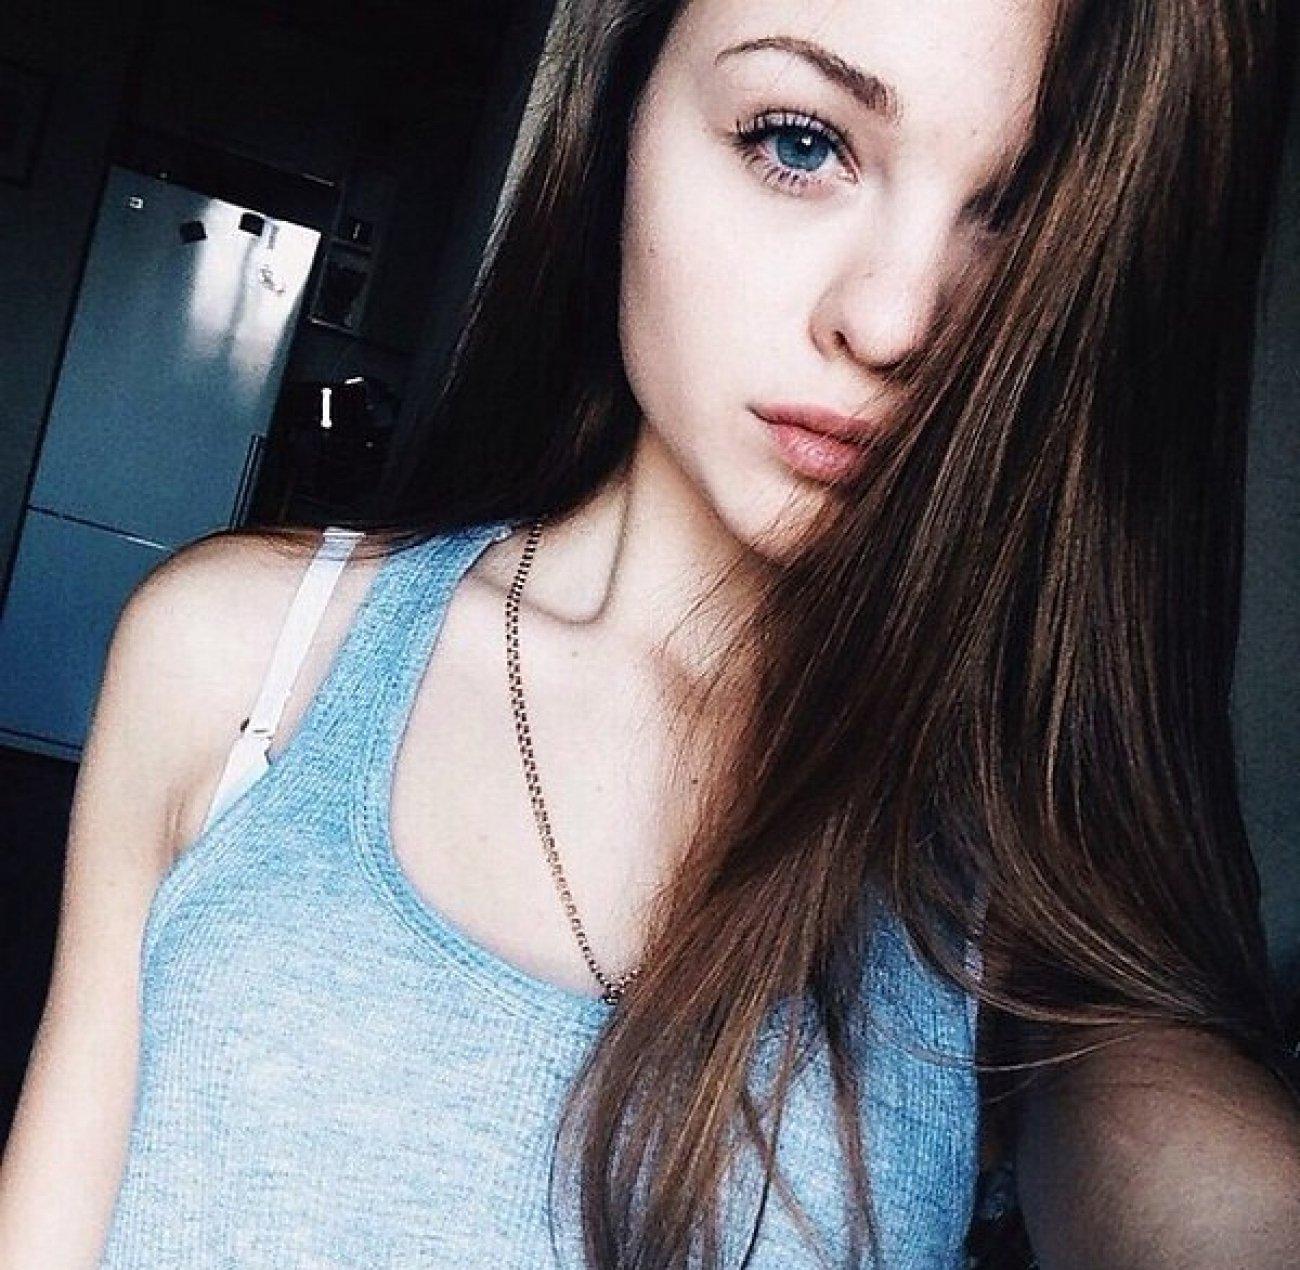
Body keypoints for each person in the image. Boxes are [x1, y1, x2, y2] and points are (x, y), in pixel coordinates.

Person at [2, 0, 1298, 1265]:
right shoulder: (240, 660)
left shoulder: (1007, 867)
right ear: (622, 104)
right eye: (800, 141)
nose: (895, 320)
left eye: (1017, 213)